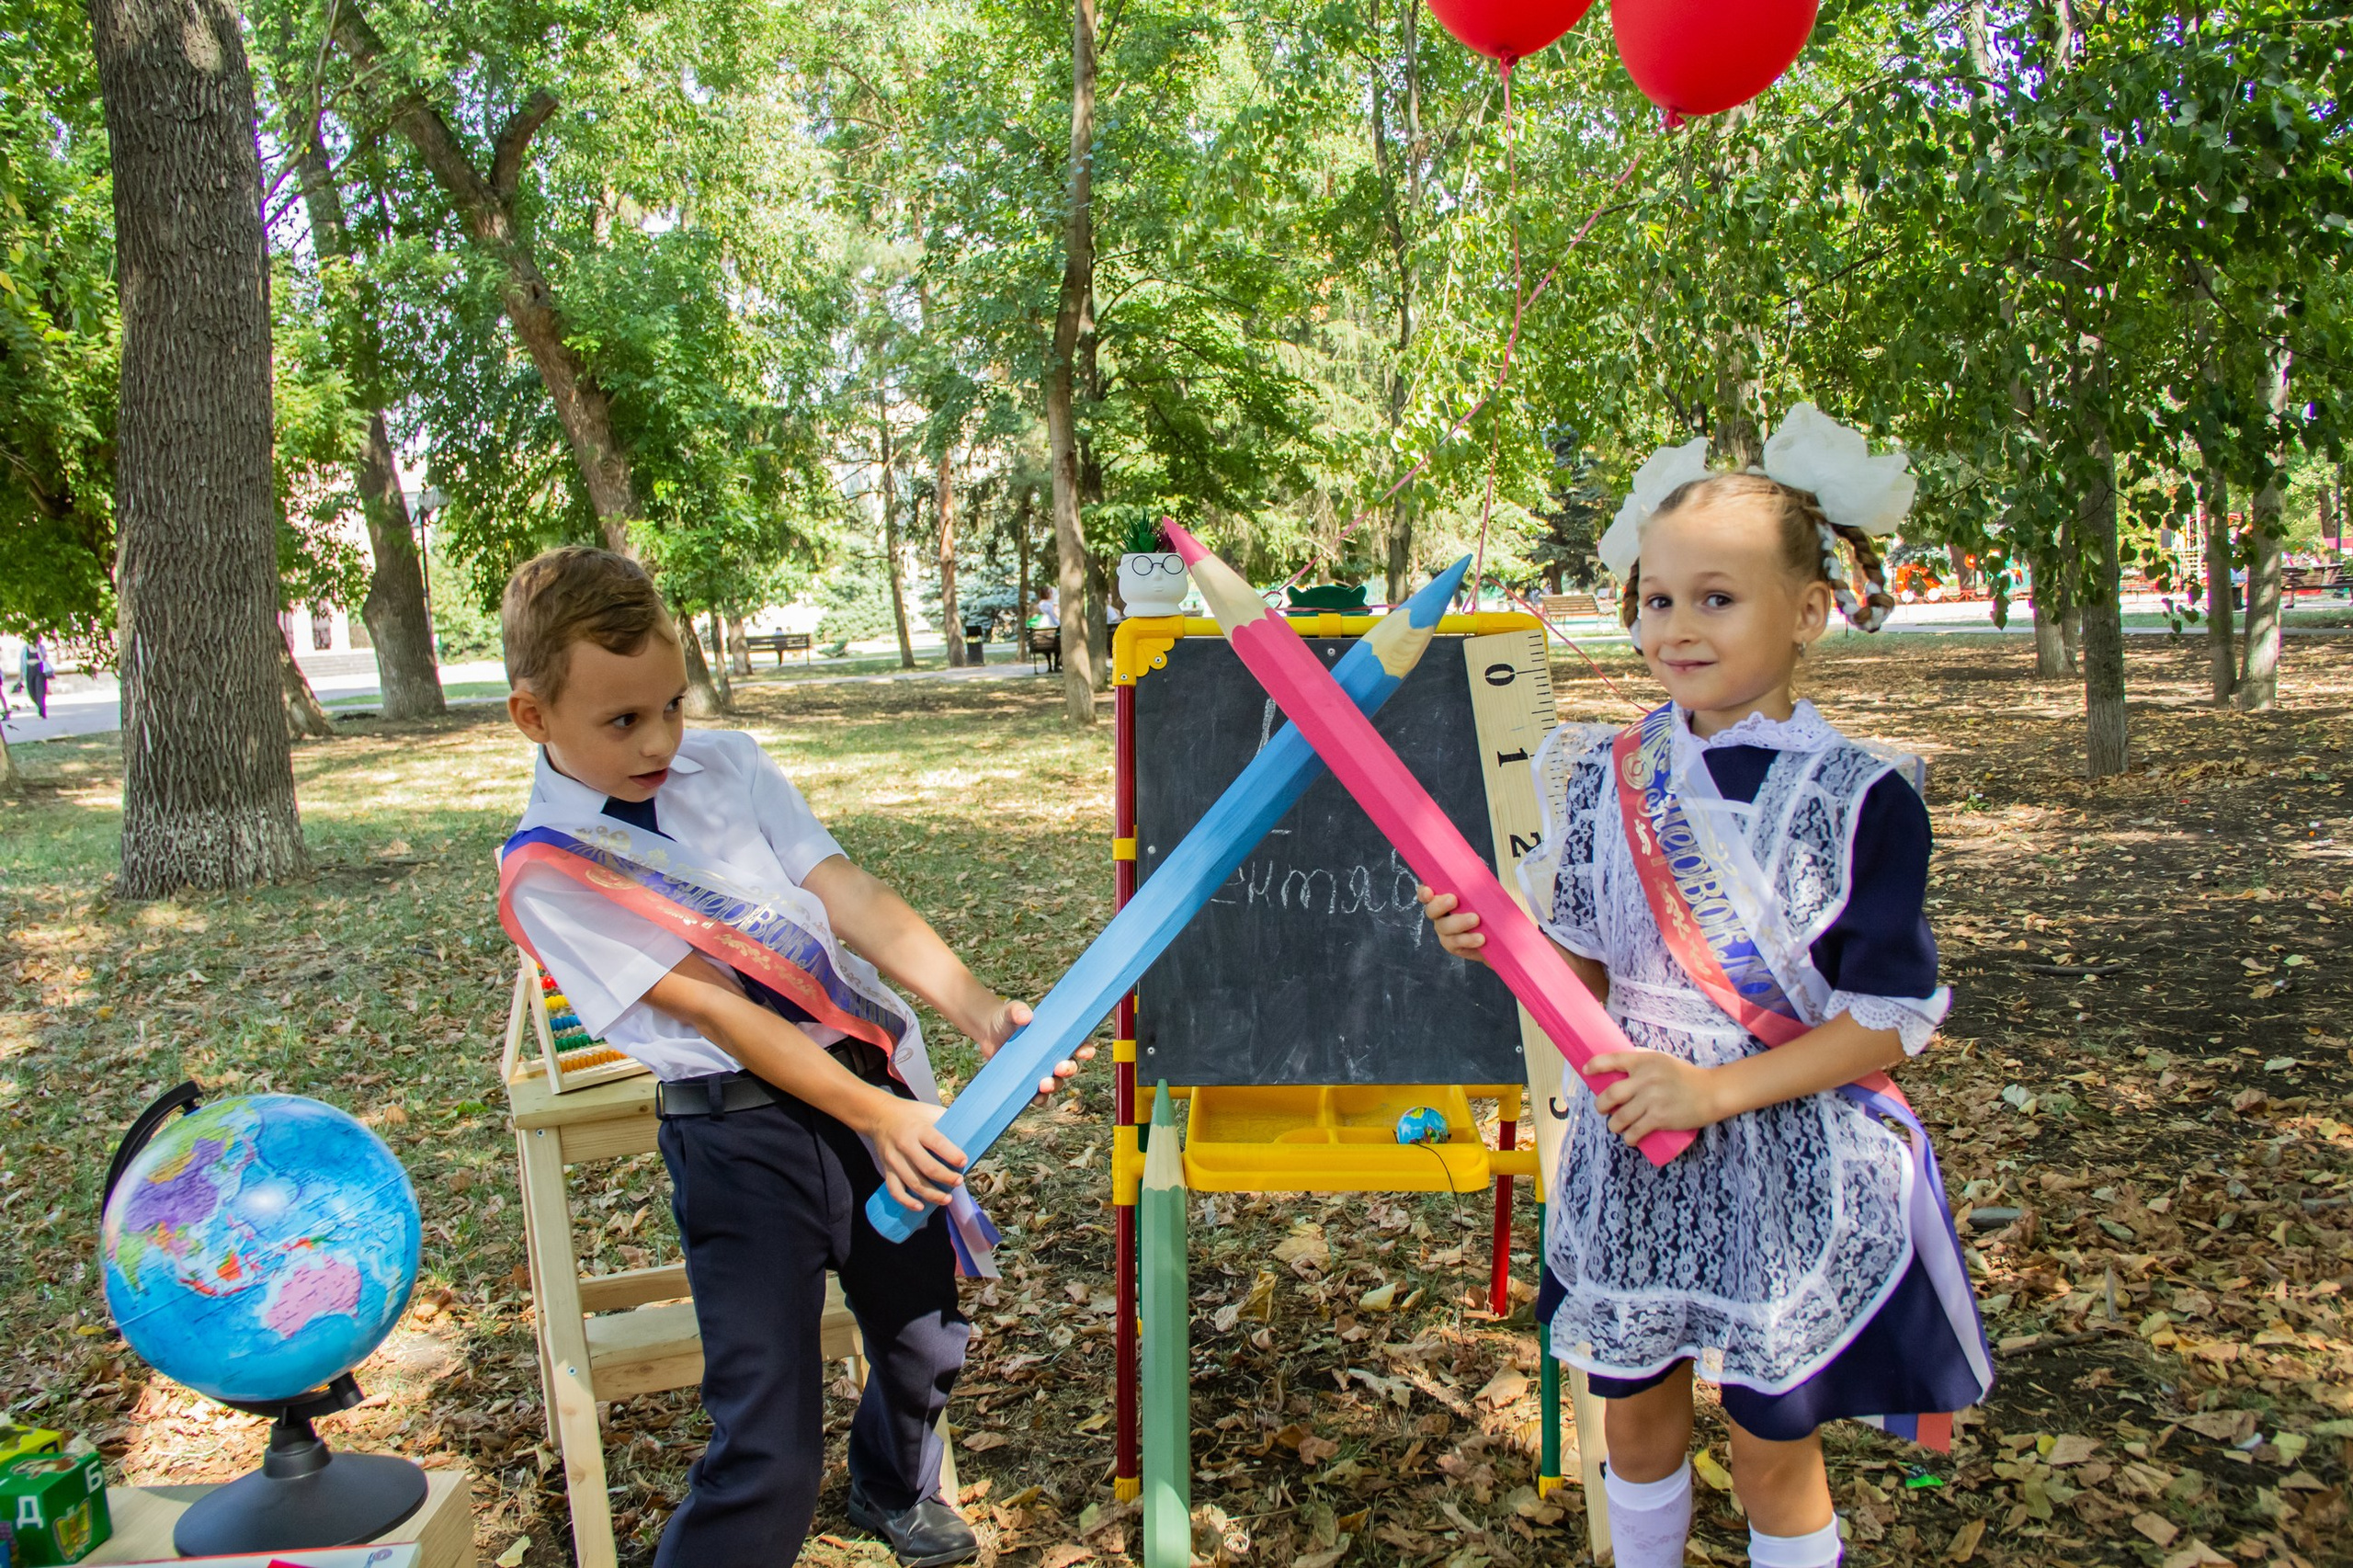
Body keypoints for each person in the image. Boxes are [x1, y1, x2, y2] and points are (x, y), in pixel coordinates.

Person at [1419, 409, 1991, 1568]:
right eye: (1654, 598)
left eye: (1715, 597)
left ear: (1810, 611)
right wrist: (1499, 942)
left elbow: (1884, 1025)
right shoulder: (1597, 773)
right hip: (1635, 1151)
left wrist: (1715, 1093)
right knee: (1630, 1425)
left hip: (1783, 1161)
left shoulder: (1863, 794)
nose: (1674, 626)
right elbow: (1584, 973)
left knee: (1771, 1442)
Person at [494, 547, 1090, 1568]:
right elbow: (722, 1016)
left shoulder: (728, 766)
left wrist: (980, 1008)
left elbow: (847, 894)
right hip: (738, 1140)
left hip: (864, 1092)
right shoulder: (547, 870)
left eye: (672, 704)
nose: (660, 738)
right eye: (623, 719)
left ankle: (892, 1487)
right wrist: (881, 1120)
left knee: (923, 1337)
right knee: (766, 1428)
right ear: (532, 715)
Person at [20, 639, 48, 720]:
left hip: (39, 669)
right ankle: (40, 705)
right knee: (31, 690)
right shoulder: (25, 648)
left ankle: (42, 711)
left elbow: (43, 658)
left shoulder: (41, 647)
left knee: (40, 690)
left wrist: (38, 649)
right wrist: (21, 674)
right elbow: (22, 662)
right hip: (29, 670)